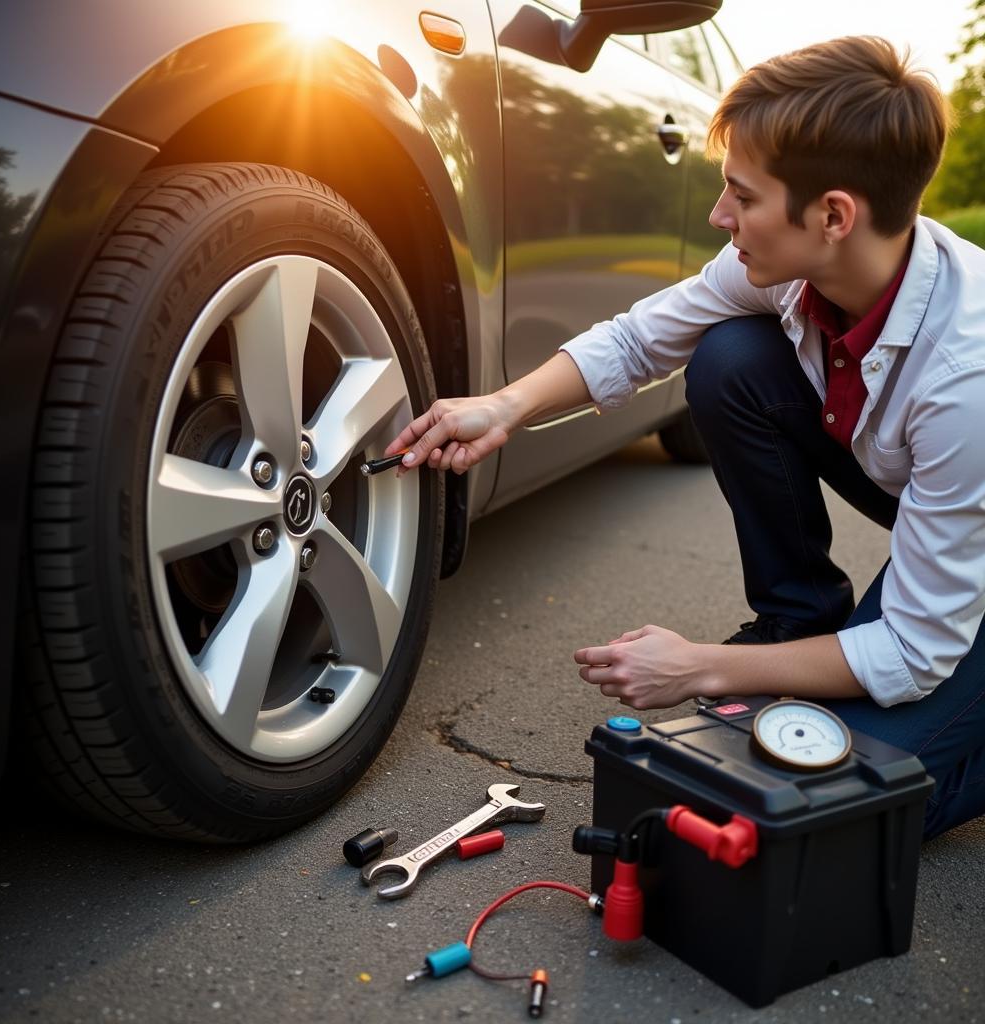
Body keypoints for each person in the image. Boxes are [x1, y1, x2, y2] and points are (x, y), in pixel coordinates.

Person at [385, 36, 985, 839]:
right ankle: (798, 630)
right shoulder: (795, 267)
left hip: (965, 521)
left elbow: (913, 652)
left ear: (834, 215)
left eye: (741, 195)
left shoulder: (964, 381)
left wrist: (701, 665)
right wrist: (504, 406)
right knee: (729, 358)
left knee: (852, 805)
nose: (718, 216)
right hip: (929, 493)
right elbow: (642, 339)